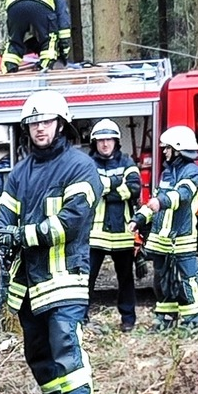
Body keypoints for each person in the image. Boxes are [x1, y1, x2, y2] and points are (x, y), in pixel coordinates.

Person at [0, 90, 102, 394]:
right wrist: (1, 248)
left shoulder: (80, 167)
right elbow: (4, 217)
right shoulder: (20, 172)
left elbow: (72, 221)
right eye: (33, 123)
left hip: (64, 276)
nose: (40, 128)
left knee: (65, 343)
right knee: (37, 350)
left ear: (61, 124)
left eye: (46, 121)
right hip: (28, 282)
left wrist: (22, 236)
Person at [129, 126, 198, 331]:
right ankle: (165, 318)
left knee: (186, 281)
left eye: (167, 148)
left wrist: (160, 201)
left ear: (178, 149)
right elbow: (154, 203)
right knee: (162, 282)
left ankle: (193, 322)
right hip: (161, 239)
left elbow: (183, 195)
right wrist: (138, 219)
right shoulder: (167, 173)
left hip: (181, 238)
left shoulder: (192, 172)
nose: (164, 152)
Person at [87, 120, 141, 332]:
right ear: (95, 143)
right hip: (95, 234)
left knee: (126, 279)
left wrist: (106, 189)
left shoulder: (127, 162)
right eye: (101, 140)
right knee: (87, 280)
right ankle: (82, 318)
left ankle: (128, 320)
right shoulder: (88, 164)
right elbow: (91, 189)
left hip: (123, 233)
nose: (105, 144)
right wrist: (117, 183)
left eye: (108, 139)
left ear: (116, 141)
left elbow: (135, 188)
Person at [0, 0, 73, 73]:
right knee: (50, 39)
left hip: (13, 2)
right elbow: (64, 27)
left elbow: (26, 34)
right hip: (40, 2)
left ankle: (8, 68)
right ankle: (46, 67)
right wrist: (63, 53)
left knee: (15, 41)